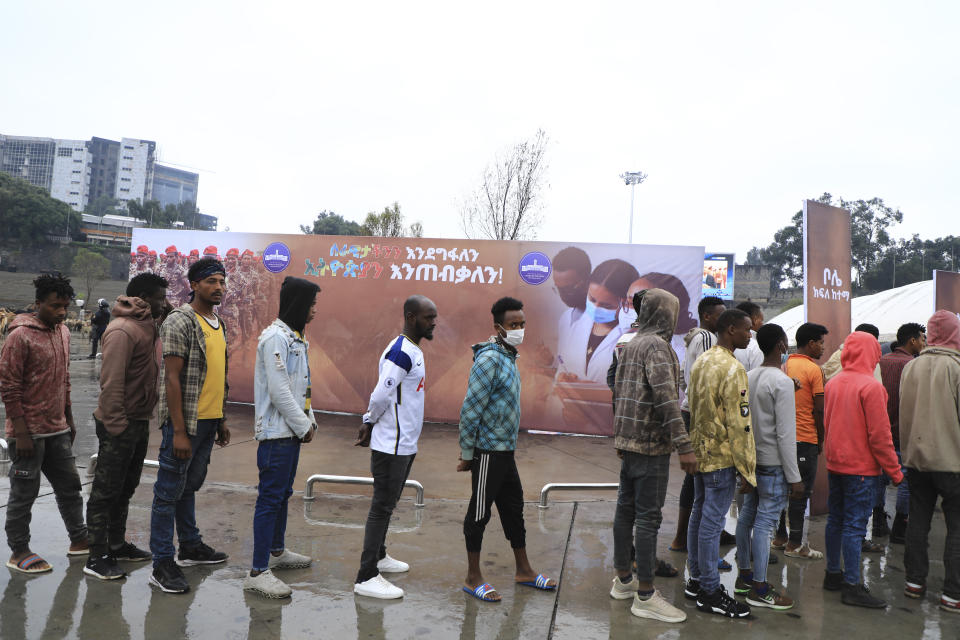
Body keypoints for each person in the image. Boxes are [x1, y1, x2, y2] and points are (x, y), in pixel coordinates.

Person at [457, 296, 557, 602]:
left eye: (522, 324)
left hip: (506, 451)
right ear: (498, 327)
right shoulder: (489, 360)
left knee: (514, 510)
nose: (520, 329)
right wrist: (467, 452)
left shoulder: (507, 356)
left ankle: (524, 570)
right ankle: (473, 577)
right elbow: (471, 408)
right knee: (479, 512)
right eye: (514, 325)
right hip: (488, 451)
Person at [608, 288, 697, 622]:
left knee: (625, 512)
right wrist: (684, 446)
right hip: (650, 446)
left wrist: (619, 435)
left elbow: (618, 391)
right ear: (667, 315)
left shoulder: (629, 343)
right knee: (648, 518)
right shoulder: (658, 347)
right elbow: (666, 400)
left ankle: (623, 581)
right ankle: (645, 593)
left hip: (629, 443)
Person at [149, 258, 232, 594]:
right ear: (194, 285)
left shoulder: (218, 322)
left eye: (222, 282)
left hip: (209, 422)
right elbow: (171, 379)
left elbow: (217, 375)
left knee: (189, 486)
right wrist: (179, 431)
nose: (219, 288)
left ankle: (191, 545)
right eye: (211, 281)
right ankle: (162, 563)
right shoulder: (180, 321)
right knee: (167, 493)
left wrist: (221, 419)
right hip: (185, 424)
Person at [1, 274, 88, 574]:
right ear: (39, 304)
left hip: (58, 429)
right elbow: (9, 387)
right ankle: (19, 550)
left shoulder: (62, 332)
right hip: (28, 435)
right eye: (55, 306)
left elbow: (64, 380)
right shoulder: (19, 337)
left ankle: (79, 540)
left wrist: (70, 418)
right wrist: (21, 433)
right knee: (24, 494)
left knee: (70, 488)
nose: (62, 312)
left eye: (65, 306)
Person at [84, 273, 169, 580]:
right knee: (105, 491)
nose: (165, 302)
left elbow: (165, 313)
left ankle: (116, 544)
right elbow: (111, 383)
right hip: (118, 422)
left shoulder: (147, 323)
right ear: (145, 298)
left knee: (126, 487)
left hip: (137, 420)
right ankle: (96, 556)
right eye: (160, 297)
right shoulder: (122, 330)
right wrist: (117, 425)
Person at [353, 295, 437, 600]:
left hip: (406, 444)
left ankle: (380, 556)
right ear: (412, 317)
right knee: (381, 507)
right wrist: (368, 421)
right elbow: (380, 395)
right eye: (429, 317)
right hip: (391, 446)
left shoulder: (413, 351)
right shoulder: (401, 351)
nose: (434, 323)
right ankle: (365, 575)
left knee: (388, 505)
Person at [243, 277, 321, 598]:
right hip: (277, 434)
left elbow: (300, 387)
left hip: (291, 432)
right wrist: (303, 427)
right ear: (299, 304)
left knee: (283, 493)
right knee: (270, 499)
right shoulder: (276, 338)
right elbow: (278, 390)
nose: (315, 310)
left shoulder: (295, 338)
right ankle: (258, 571)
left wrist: (309, 420)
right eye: (312, 304)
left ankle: (277, 551)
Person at [822, 331, 903, 608]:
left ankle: (833, 575)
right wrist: (895, 472)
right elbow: (880, 437)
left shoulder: (833, 383)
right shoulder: (871, 388)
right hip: (861, 469)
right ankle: (853, 586)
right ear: (872, 354)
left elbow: (828, 424)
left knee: (836, 520)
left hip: (835, 464)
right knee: (855, 526)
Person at [685, 308, 755, 618]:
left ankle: (697, 580)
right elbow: (740, 422)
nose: (749, 334)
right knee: (712, 523)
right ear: (729, 330)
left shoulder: (702, 361)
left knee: (700, 516)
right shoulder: (732, 367)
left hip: (700, 453)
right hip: (721, 458)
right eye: (745, 329)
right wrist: (746, 466)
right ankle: (711, 592)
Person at [734, 323, 803, 610]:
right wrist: (794, 476)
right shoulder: (783, 382)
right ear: (781, 345)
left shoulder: (748, 376)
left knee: (747, 517)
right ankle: (760, 588)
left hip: (752, 460)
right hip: (774, 463)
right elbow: (786, 434)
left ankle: (745, 577)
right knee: (765, 524)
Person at [899, 310, 960, 614]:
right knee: (957, 527)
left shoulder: (912, 367)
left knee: (918, 521)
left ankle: (914, 582)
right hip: (952, 462)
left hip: (915, 460)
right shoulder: (956, 367)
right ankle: (952, 594)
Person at [670, 295, 728, 553]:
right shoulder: (706, 338)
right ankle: (685, 538)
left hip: (693, 410)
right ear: (707, 316)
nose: (724, 319)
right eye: (720, 314)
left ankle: (694, 535)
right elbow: (707, 379)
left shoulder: (698, 338)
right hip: (699, 414)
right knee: (699, 479)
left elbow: (686, 377)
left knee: (698, 479)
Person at [773, 322, 829, 559]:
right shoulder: (813, 370)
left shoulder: (784, 365)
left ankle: (780, 537)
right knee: (801, 491)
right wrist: (820, 438)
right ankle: (795, 544)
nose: (823, 348)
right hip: (804, 437)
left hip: (782, 438)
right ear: (811, 343)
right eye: (821, 343)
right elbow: (818, 410)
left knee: (782, 489)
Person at [876, 322, 926, 543]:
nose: (924, 343)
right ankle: (900, 527)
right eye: (922, 339)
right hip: (904, 435)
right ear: (912, 340)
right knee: (905, 483)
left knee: (879, 480)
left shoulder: (881, 362)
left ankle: (878, 522)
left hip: (880, 434)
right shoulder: (915, 366)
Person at [556, 259, 639, 384]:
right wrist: (561, 378)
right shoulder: (569, 319)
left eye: (606, 306)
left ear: (626, 303)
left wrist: (597, 391)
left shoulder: (637, 336)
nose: (596, 308)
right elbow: (562, 363)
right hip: (566, 401)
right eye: (592, 299)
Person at [733, 301, 764, 373]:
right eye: (761, 320)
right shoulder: (755, 347)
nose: (762, 324)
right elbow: (757, 378)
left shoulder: (727, 344)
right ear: (755, 320)